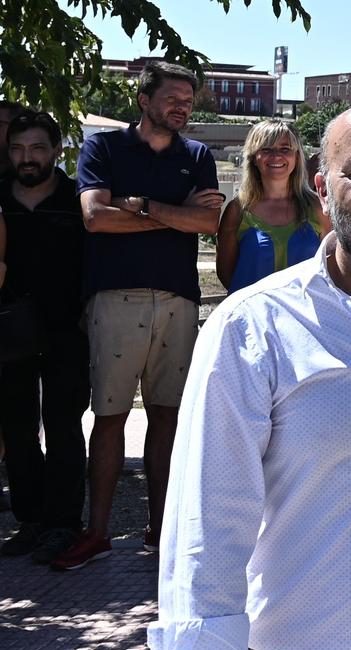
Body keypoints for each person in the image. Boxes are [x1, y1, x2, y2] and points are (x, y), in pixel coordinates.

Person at [57, 62, 222, 571]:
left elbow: (210, 220)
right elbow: (94, 218)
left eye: (188, 101)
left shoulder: (196, 155)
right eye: (172, 97)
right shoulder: (103, 148)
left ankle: (162, 529)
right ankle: (98, 531)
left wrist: (142, 207)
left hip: (178, 299)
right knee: (108, 418)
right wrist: (174, 216)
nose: (181, 107)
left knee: (168, 416)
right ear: (144, 100)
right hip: (114, 298)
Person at [0, 110, 90, 563]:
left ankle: (63, 524)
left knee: (64, 427)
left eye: (37, 148)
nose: (26, 158)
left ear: (56, 150)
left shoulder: (78, 199)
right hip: (8, 331)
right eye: (17, 149)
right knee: (16, 429)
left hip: (66, 329)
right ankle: (30, 520)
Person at [215, 120, 325, 293]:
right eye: (266, 149)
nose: (276, 156)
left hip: (304, 317)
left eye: (285, 149)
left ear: (296, 157)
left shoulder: (318, 208)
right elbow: (226, 273)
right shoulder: (237, 210)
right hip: (252, 317)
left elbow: (332, 268)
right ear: (254, 157)